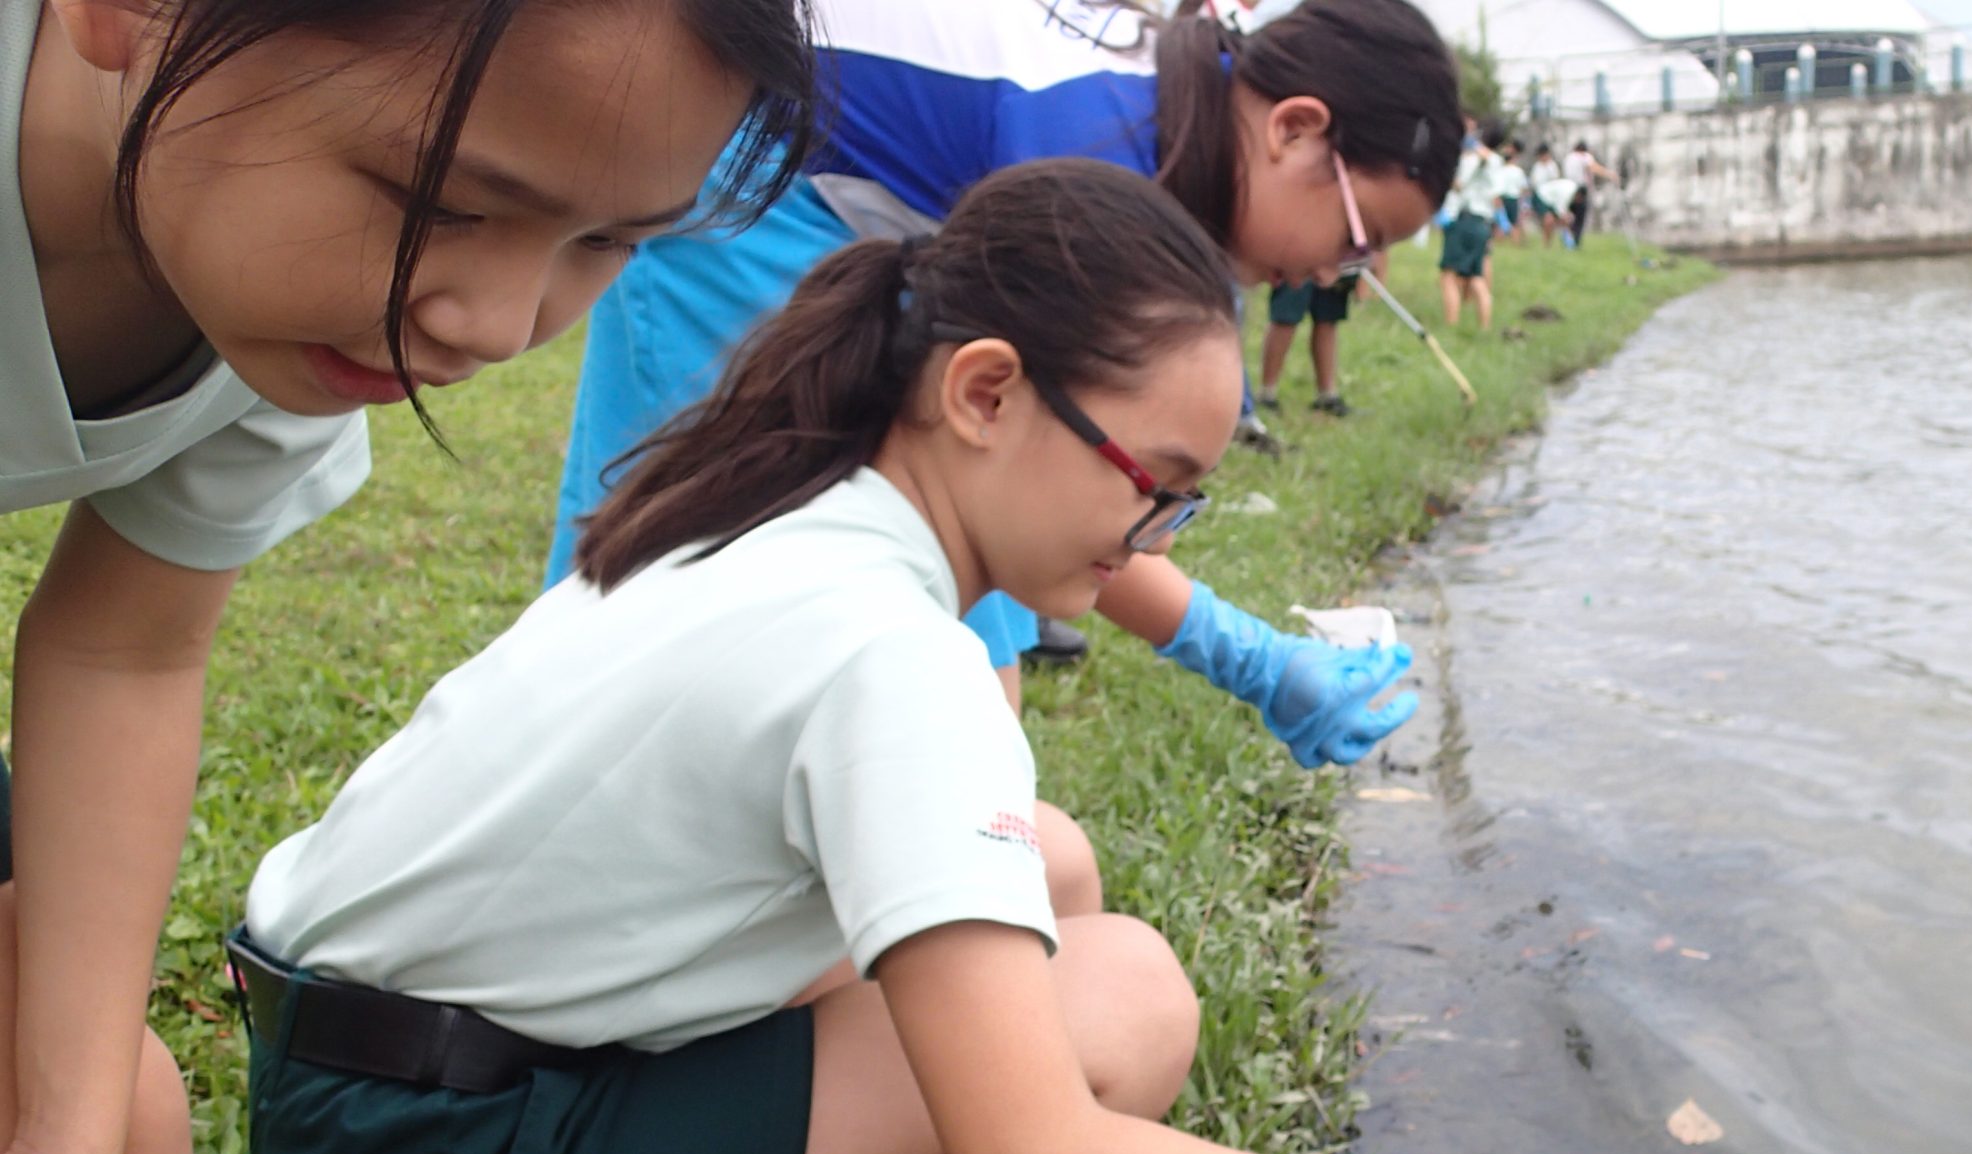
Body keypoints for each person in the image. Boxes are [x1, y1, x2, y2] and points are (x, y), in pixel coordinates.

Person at [223, 158, 1761, 1154]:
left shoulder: (787, 508)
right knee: (1124, 1008)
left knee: (1055, 869)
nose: (1155, 535)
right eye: (1152, 484)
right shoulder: (891, 655)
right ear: (983, 393)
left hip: (368, 1112)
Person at [0, 0, 818, 1154]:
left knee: (97, 1114)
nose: (496, 319)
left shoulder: (268, 296)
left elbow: (124, 647)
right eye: (442, 196)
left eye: (602, 239)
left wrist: (53, 1137)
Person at [546, 0, 1464, 767]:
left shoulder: (1160, 123)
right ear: (1293, 129)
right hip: (748, 188)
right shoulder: (1095, 158)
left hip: (837, 213)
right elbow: (1069, 490)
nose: (1342, 272)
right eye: (1359, 239)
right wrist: (1252, 659)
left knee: (954, 646)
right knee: (686, 554)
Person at [1258, 271, 1355, 416]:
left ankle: (1327, 396)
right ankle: (1266, 394)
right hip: (1296, 260)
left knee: (1328, 317)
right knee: (1286, 317)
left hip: (1336, 262)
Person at [1439, 117, 1499, 331]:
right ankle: (1484, 327)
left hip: (1464, 220)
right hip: (1482, 223)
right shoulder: (1496, 161)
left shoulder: (1472, 158)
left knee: (1448, 275)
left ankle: (1451, 326)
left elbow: (1458, 185)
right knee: (1476, 276)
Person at [1565, 136, 1618, 249]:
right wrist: (1610, 174)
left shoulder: (1569, 158)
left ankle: (1568, 239)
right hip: (1580, 190)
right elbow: (1593, 168)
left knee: (1569, 216)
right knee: (1579, 218)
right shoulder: (1584, 157)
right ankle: (1575, 243)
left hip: (1567, 189)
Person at [1494, 136, 1528, 243]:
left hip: (1502, 197)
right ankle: (1516, 242)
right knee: (1514, 223)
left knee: (1500, 222)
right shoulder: (1518, 171)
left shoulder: (1501, 170)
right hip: (1513, 198)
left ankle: (1500, 242)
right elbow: (1523, 188)